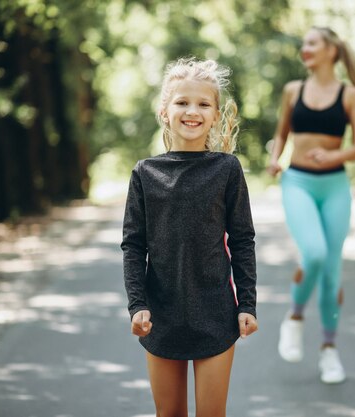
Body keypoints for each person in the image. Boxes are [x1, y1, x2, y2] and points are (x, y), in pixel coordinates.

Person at [121, 57, 258, 417]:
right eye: (182, 102)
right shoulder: (145, 174)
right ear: (165, 111)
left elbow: (242, 239)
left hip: (215, 312)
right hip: (161, 314)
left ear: (215, 114)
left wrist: (247, 304)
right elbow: (134, 246)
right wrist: (137, 305)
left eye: (203, 104)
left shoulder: (227, 170)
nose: (192, 111)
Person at [267, 27, 355, 384]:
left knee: (332, 274)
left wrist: (333, 154)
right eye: (304, 44)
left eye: (312, 43)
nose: (305, 48)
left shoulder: (351, 95)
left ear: (332, 50)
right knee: (313, 253)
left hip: (335, 186)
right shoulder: (292, 90)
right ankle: (295, 317)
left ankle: (329, 351)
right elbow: (281, 134)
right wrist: (275, 159)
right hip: (297, 182)